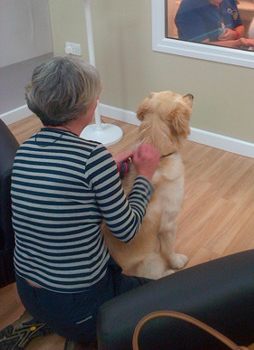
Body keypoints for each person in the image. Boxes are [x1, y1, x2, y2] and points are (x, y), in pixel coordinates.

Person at [4, 56, 160, 348]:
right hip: (79, 304)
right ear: (87, 108)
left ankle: (46, 320)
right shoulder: (92, 157)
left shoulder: (25, 150)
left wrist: (106, 168)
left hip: (28, 291)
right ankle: (89, 333)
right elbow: (126, 230)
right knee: (166, 296)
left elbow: (63, 188)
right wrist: (145, 177)